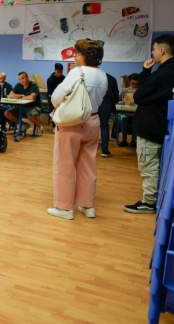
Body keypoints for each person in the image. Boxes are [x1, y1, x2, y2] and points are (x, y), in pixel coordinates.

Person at [124, 34, 174, 214]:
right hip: (162, 124)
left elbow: (139, 96)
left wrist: (145, 72)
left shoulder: (164, 73)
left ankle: (148, 202)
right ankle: (152, 198)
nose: (152, 53)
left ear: (162, 50)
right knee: (154, 165)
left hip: (151, 125)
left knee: (149, 164)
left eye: (153, 49)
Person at [47, 39, 108, 220]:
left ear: (83, 56)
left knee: (64, 164)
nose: (75, 56)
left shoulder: (77, 73)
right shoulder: (103, 75)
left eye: (77, 53)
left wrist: (60, 106)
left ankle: (64, 208)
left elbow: (56, 97)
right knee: (88, 165)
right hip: (93, 121)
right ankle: (87, 205)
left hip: (72, 123)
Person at [99, 73, 119, 158]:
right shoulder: (112, 78)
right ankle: (104, 151)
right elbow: (116, 97)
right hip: (106, 104)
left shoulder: (93, 76)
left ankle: (87, 149)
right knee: (104, 127)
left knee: (89, 126)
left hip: (92, 103)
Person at [118, 73, 139, 147]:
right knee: (124, 118)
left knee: (136, 120)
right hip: (126, 113)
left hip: (136, 114)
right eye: (133, 83)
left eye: (136, 84)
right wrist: (121, 102)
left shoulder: (140, 91)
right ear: (129, 82)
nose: (134, 86)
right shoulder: (125, 91)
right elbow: (119, 100)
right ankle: (124, 140)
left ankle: (133, 141)